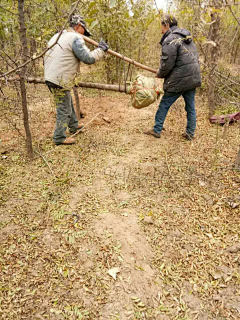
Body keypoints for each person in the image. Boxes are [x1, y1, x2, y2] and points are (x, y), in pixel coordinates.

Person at [44, 15, 109, 145]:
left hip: (52, 76)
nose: (84, 34)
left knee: (67, 103)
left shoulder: (58, 36)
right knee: (64, 108)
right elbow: (88, 58)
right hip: (59, 78)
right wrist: (101, 50)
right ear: (78, 26)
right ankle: (59, 137)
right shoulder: (75, 37)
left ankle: (74, 126)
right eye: (84, 30)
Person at [145, 15, 201, 140]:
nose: (161, 30)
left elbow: (167, 64)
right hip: (193, 77)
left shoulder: (170, 39)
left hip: (179, 79)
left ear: (167, 25)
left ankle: (157, 129)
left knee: (164, 104)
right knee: (191, 107)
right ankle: (190, 133)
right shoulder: (186, 37)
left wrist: (160, 74)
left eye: (162, 26)